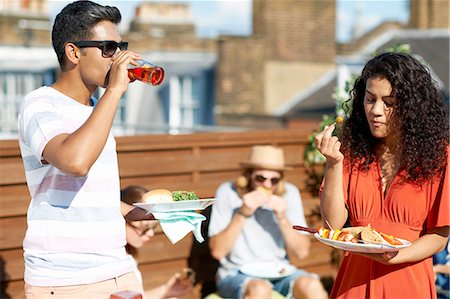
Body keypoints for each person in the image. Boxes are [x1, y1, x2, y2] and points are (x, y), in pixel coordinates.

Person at [17, 1, 154, 298]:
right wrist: (115, 91)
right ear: (73, 52)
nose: (117, 58)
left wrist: (136, 213)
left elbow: (87, 191)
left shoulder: (95, 109)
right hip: (64, 279)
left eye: (121, 47)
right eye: (108, 48)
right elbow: (75, 162)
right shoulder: (40, 104)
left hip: (117, 271)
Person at [315, 52, 449, 298]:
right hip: (352, 284)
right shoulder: (352, 153)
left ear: (411, 107)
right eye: (370, 99)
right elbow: (332, 225)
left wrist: (396, 256)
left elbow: (439, 236)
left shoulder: (441, 157)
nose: (376, 110)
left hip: (408, 282)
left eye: (389, 102)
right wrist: (334, 163)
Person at [208, 145, 328, 299]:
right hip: (235, 273)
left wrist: (282, 218)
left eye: (274, 180)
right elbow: (218, 251)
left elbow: (301, 252)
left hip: (280, 271)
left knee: (312, 286)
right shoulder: (228, 192)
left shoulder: (289, 193)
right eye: (260, 178)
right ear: (248, 176)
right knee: (260, 290)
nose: (267, 185)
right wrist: (243, 213)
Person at [120, 186, 195, 299]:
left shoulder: (130, 256)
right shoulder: (115, 260)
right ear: (123, 219)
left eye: (154, 227)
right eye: (144, 228)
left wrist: (166, 291)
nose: (151, 233)